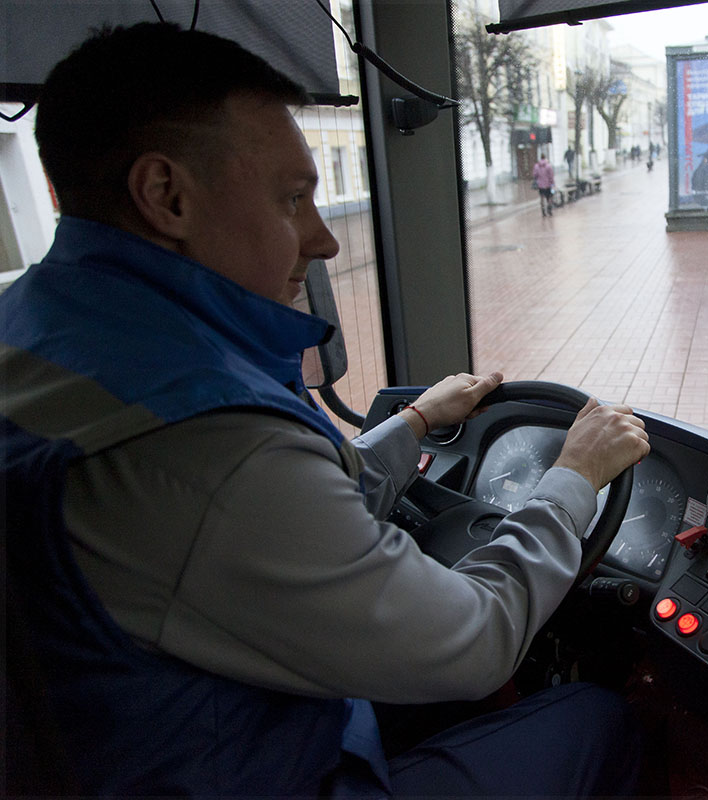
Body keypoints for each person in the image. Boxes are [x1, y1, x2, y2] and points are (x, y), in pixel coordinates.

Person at [0, 22, 651, 797]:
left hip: (125, 738)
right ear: (165, 195)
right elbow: (476, 639)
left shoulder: (39, 330)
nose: (324, 240)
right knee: (599, 717)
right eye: (293, 198)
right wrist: (574, 476)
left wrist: (412, 425)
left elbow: (269, 507)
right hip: (255, 768)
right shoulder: (212, 449)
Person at [533, 151, 556, 216]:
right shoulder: (548, 166)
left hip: (540, 185)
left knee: (542, 198)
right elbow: (551, 176)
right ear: (545, 158)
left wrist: (538, 179)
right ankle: (549, 208)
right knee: (550, 197)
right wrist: (553, 183)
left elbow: (535, 175)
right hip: (548, 185)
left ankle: (543, 211)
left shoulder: (536, 166)